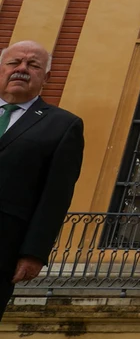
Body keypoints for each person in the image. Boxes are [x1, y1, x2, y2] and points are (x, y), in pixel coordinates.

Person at [0, 41, 83, 319]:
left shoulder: (62, 125)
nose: (22, 69)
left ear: (46, 78)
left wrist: (33, 253)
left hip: (4, 244)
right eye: (14, 63)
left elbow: (55, 197)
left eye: (33, 65)